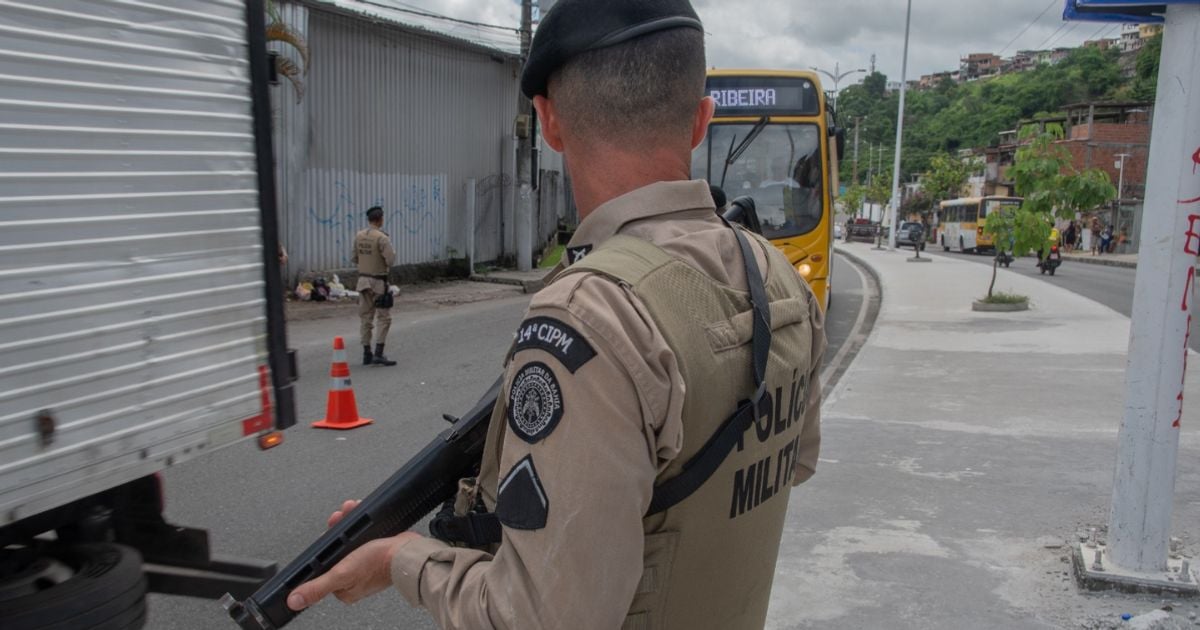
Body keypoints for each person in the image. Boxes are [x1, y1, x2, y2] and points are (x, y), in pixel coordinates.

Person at [285, 1, 825, 628]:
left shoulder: (591, 312)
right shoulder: (775, 272)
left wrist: (403, 559)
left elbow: (538, 619)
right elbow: (794, 461)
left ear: (548, 121)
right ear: (702, 119)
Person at [352, 206, 397, 367]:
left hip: (362, 281)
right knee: (384, 317)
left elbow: (354, 257)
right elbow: (391, 260)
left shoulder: (359, 236)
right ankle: (378, 352)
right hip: (378, 282)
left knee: (366, 318)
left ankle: (366, 353)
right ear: (380, 219)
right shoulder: (382, 238)